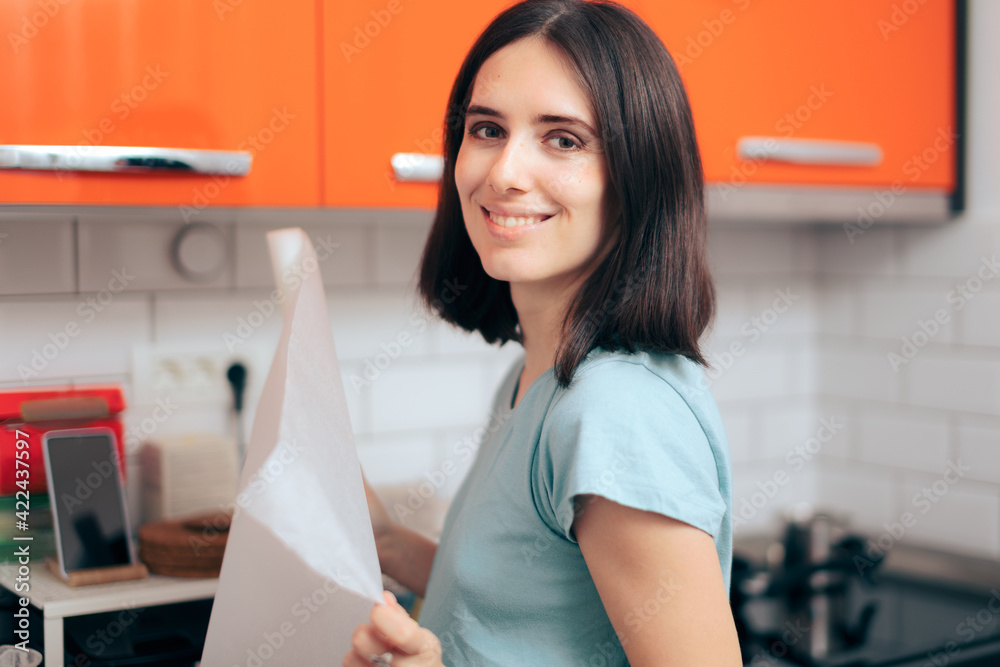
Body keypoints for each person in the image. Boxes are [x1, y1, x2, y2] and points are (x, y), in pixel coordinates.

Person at [344, 0, 741, 664]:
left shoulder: (615, 411)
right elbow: (525, 610)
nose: (504, 173)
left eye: (564, 139)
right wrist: (385, 542)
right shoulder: (540, 371)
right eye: (487, 129)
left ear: (638, 176)